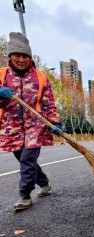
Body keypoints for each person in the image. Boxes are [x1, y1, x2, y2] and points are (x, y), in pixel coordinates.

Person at [0, 32, 63, 212]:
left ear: (30, 57)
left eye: (25, 56)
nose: (21, 60)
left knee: (27, 159)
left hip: (35, 125)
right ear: (10, 56)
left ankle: (24, 194)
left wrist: (54, 123)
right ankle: (44, 182)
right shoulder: (2, 75)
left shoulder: (40, 77)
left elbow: (48, 102)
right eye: (17, 55)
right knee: (23, 158)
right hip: (11, 127)